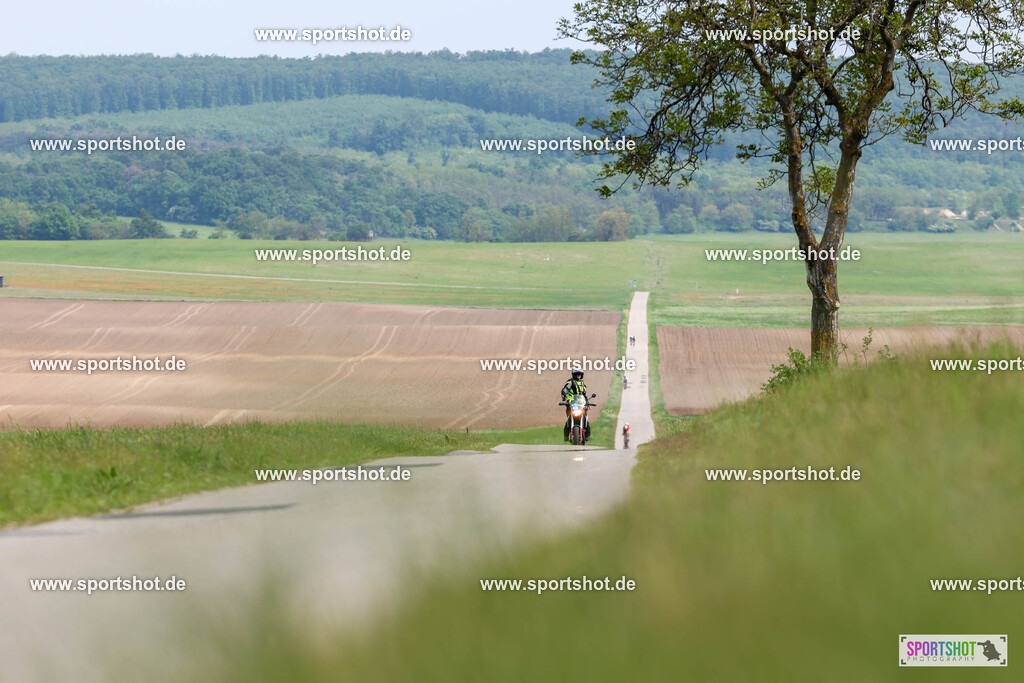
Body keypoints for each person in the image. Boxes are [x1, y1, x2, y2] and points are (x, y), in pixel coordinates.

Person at [561, 368, 589, 441]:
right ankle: (566, 435)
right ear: (574, 375)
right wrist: (564, 398)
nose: (579, 376)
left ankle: (587, 435)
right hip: (571, 404)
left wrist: (587, 402)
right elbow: (565, 390)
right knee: (569, 419)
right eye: (577, 374)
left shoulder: (582, 383)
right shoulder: (570, 382)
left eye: (580, 375)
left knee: (585, 418)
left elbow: (584, 395)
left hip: (581, 404)